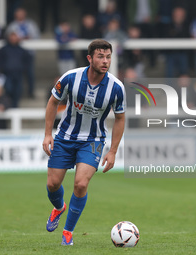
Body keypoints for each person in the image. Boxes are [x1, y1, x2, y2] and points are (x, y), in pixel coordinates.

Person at [42, 39, 125, 246]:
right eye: (100, 56)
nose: (105, 61)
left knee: (80, 184)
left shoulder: (116, 87)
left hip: (93, 140)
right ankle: (59, 207)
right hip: (65, 137)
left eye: (108, 57)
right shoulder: (71, 78)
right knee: (53, 184)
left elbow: (121, 118)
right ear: (90, 58)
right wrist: (47, 134)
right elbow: (53, 102)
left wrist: (113, 151)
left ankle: (68, 232)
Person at [6, 8, 40, 98]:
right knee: (18, 75)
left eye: (22, 13)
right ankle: (17, 94)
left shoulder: (31, 24)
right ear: (15, 15)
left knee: (30, 74)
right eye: (18, 14)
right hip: (17, 54)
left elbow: (36, 36)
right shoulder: (12, 26)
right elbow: (9, 37)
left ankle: (31, 92)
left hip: (29, 53)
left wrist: (27, 38)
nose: (20, 15)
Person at [0, 32, 30, 108]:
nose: (13, 39)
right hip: (7, 74)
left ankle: (15, 109)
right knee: (8, 90)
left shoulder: (22, 50)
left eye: (15, 37)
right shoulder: (4, 49)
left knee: (17, 92)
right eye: (12, 37)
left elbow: (27, 61)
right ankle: (9, 106)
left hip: (18, 74)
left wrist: (23, 69)